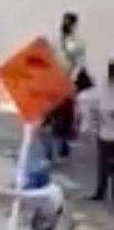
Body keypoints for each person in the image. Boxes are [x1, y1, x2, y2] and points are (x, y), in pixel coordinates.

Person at [47, 12, 89, 160]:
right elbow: (48, 58)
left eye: (69, 23)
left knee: (65, 116)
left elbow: (79, 64)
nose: (66, 25)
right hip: (54, 82)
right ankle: (51, 148)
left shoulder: (77, 42)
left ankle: (63, 144)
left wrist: (72, 80)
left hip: (66, 83)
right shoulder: (55, 40)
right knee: (51, 116)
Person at [80, 59, 114, 203]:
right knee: (103, 166)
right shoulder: (103, 87)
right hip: (104, 133)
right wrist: (94, 122)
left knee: (110, 166)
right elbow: (91, 102)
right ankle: (101, 191)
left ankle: (107, 193)